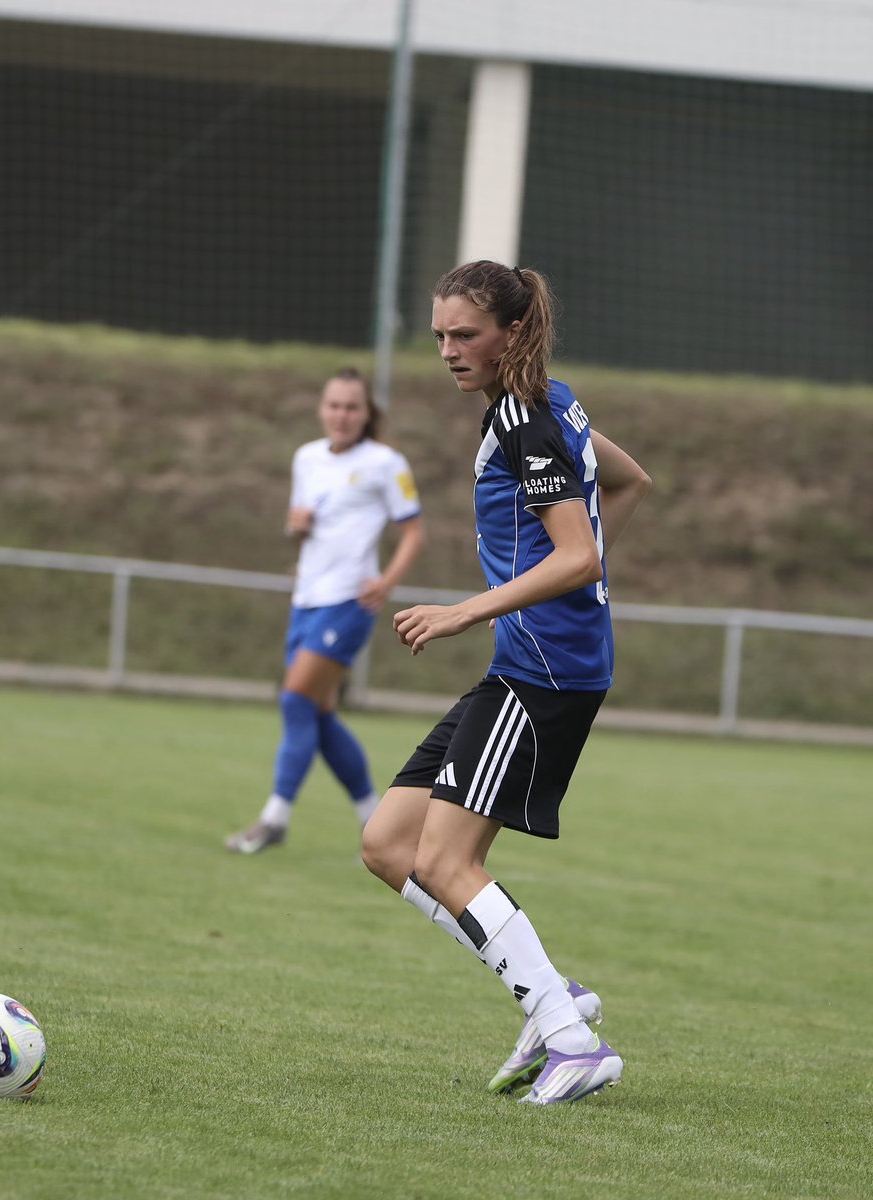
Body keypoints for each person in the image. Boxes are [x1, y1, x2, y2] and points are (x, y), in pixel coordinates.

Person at [361, 261, 651, 1105]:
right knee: (388, 845)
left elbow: (578, 552)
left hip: (543, 673)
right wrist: (575, 584)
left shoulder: (527, 418)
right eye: (441, 336)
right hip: (528, 664)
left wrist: (469, 610)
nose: (450, 351)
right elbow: (630, 486)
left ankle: (569, 1036)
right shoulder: (547, 402)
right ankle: (553, 998)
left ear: (513, 333)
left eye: (466, 335)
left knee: (446, 859)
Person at [226, 368, 425, 854]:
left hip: (349, 602)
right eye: (334, 405)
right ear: (322, 409)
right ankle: (377, 821)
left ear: (366, 413)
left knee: (295, 701)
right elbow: (303, 525)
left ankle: (274, 818)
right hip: (307, 601)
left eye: (351, 407)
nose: (341, 415)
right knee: (317, 714)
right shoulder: (307, 458)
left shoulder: (386, 462)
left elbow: (414, 530)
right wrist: (296, 527)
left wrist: (386, 582)